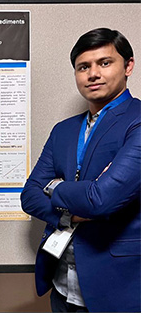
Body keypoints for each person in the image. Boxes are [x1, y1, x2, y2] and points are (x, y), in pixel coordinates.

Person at [21, 28, 139, 312]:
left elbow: (101, 199)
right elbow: (29, 196)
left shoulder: (136, 122)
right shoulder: (63, 130)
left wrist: (54, 187)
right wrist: (73, 212)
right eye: (83, 67)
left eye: (105, 63)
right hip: (63, 289)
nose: (93, 74)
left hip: (118, 289)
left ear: (128, 66)